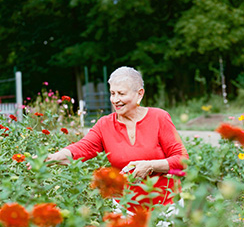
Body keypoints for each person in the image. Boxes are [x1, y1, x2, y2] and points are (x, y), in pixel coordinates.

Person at [46, 66, 188, 214]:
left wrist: (151, 165)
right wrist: (54, 157)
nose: (115, 100)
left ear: (139, 94)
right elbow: (83, 147)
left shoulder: (159, 118)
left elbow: (182, 159)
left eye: (121, 94)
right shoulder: (105, 124)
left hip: (164, 208)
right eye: (112, 93)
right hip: (125, 209)